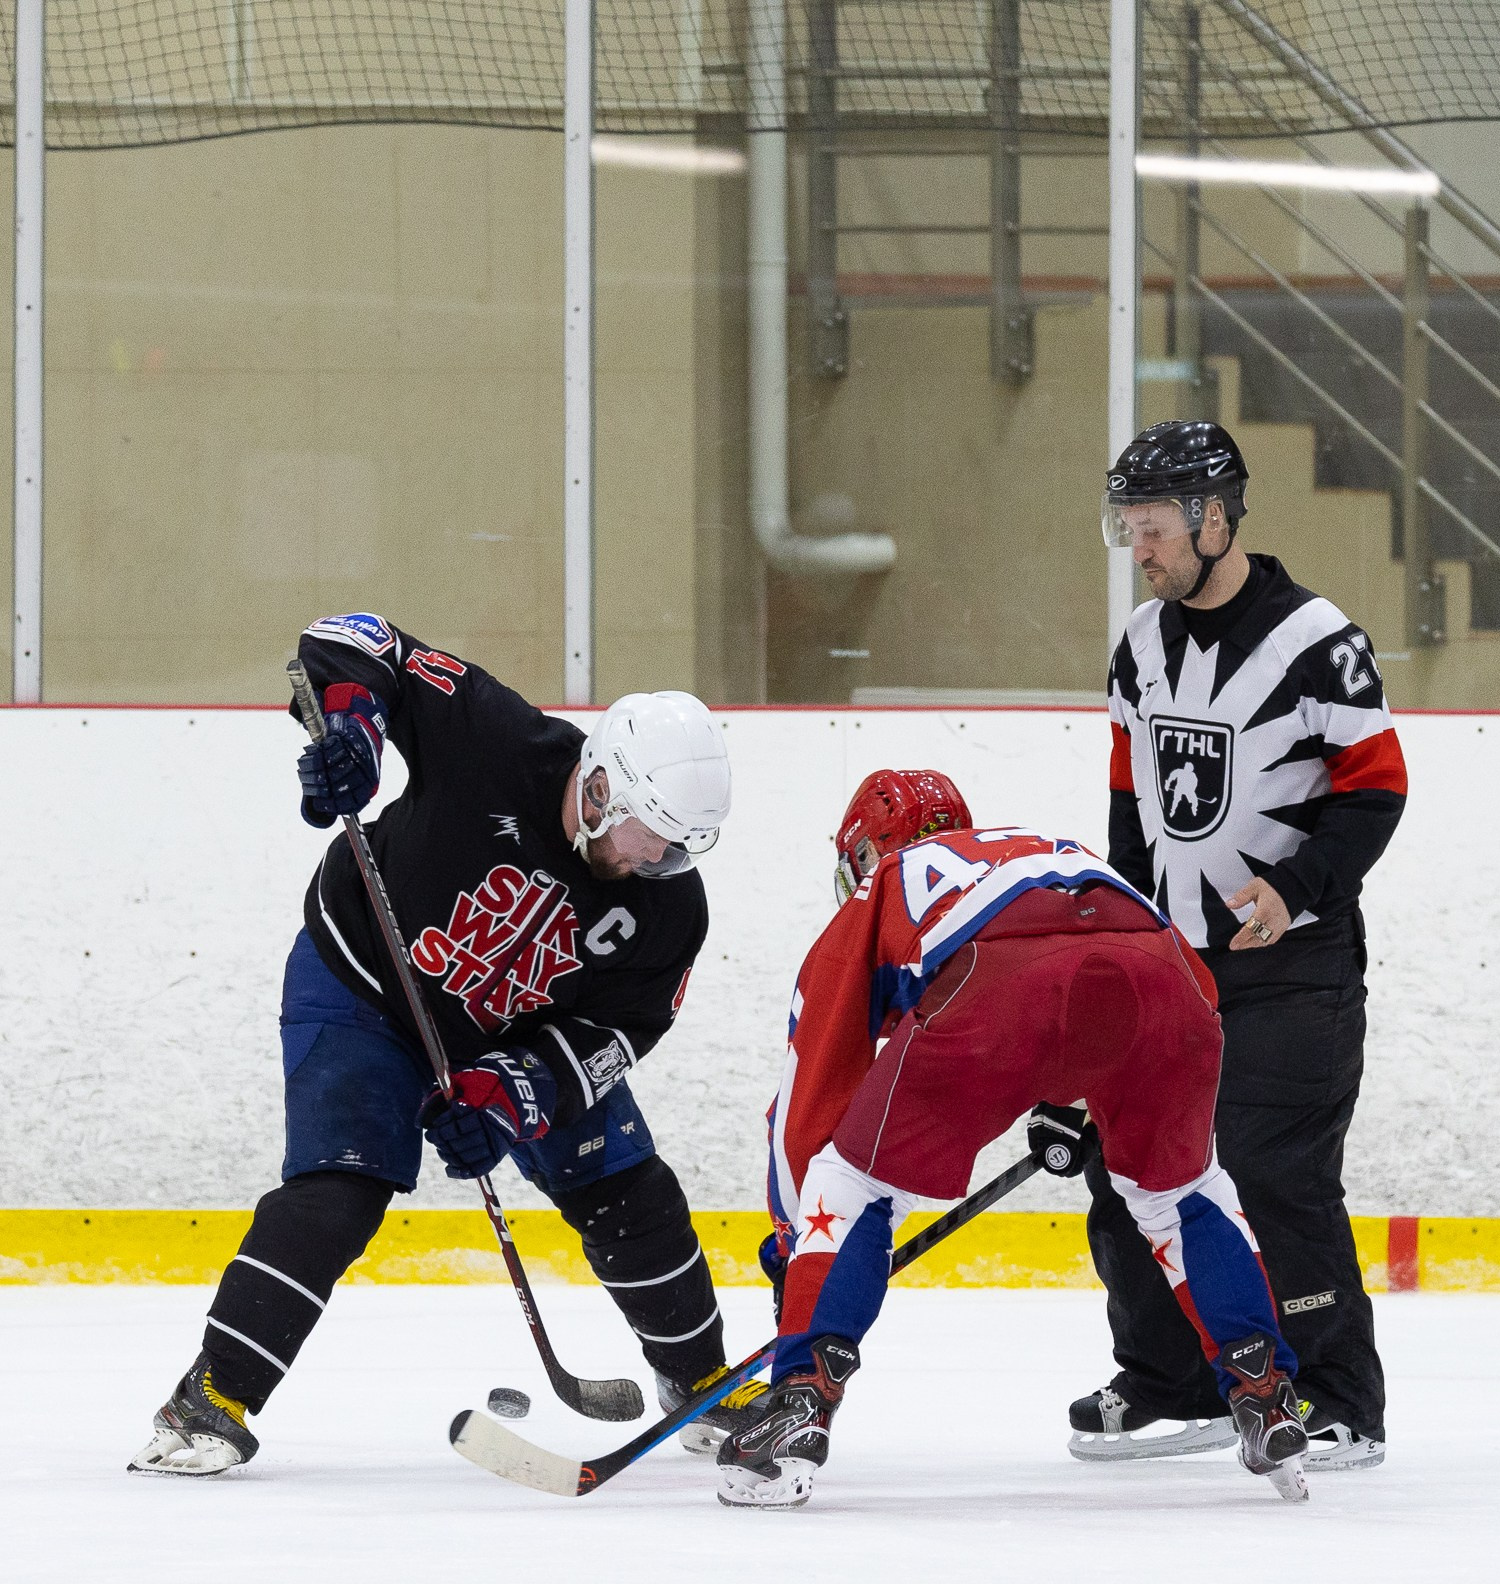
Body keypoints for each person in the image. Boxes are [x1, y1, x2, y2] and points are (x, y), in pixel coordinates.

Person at [130, 613, 755, 1475]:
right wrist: (353, 732)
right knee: (341, 1185)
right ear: (603, 786)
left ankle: (701, 1380)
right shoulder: (497, 739)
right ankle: (212, 1393)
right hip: (365, 981)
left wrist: (515, 1091)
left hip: (514, 1032)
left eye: (680, 846)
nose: (659, 860)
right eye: (651, 833)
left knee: (627, 1187)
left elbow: (619, 1030)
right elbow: (356, 641)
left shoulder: (669, 904)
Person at [721, 768, 1310, 1508]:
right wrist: (1076, 1081)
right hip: (1166, 978)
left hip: (993, 981)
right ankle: (1267, 1395)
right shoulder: (1038, 848)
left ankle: (799, 1402)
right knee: (1183, 1195)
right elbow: (1111, 972)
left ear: (866, 852)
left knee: (852, 1182)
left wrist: (796, 1256)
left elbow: (809, 1099)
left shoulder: (886, 884)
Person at [1074, 420, 1408, 1470]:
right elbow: (1131, 800)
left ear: (1215, 519)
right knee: (1127, 1164)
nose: (1140, 548)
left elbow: (1376, 791)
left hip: (1294, 969)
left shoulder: (1318, 639)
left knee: (1273, 1172)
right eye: (1128, 527)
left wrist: (1295, 887)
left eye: (1156, 527)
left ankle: (1337, 1395)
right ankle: (1172, 1382)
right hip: (1172, 965)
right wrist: (1122, 927)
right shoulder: (1140, 644)